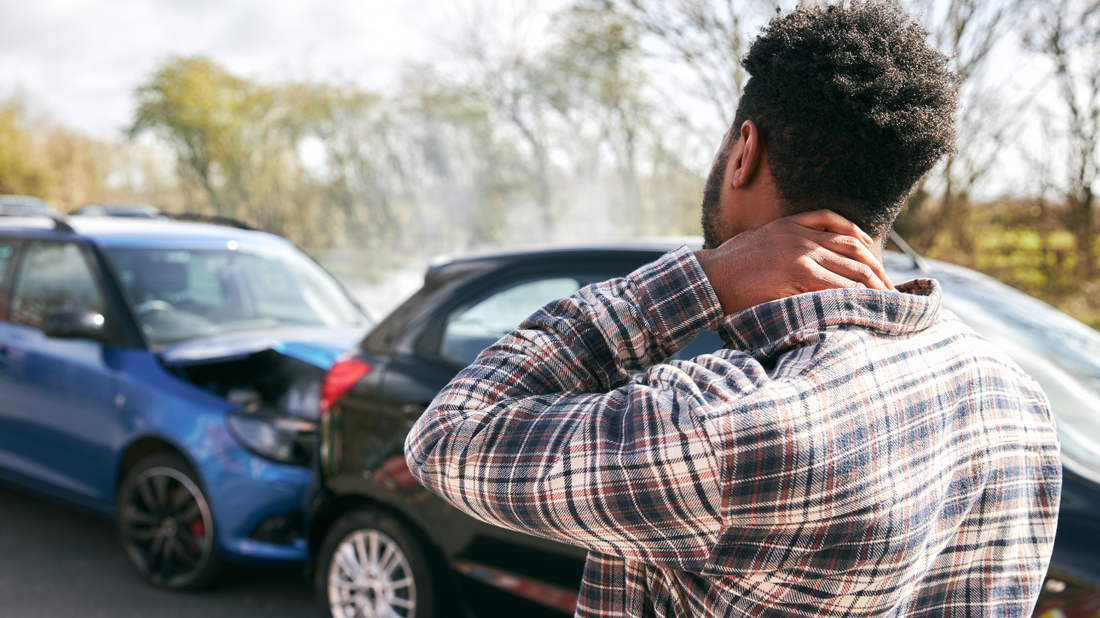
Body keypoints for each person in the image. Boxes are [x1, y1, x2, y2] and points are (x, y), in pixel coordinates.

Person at [405, 2, 1061, 616]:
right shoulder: (1015, 400)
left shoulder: (724, 424)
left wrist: (701, 278)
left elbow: (449, 434)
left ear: (744, 151)